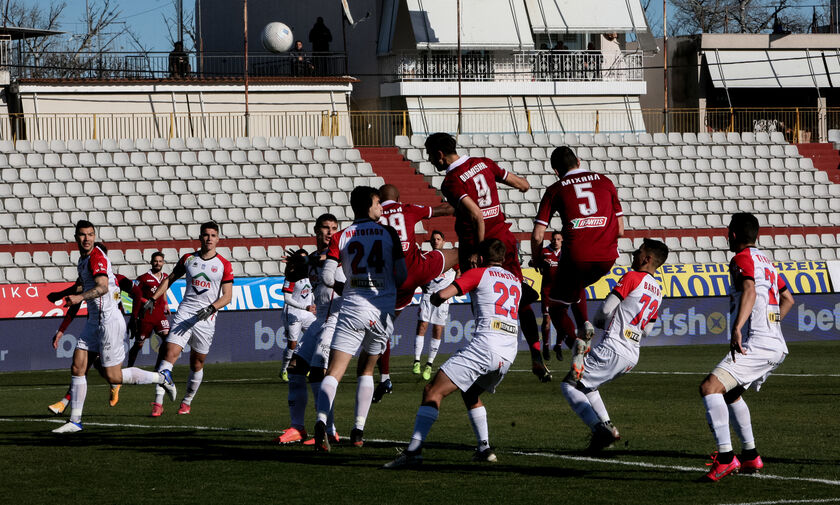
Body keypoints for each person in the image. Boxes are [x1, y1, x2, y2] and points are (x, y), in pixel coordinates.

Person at [426, 132, 551, 382]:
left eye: (431, 156)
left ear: (440, 154)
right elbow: (522, 184)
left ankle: (485, 356)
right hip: (505, 242)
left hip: (479, 247)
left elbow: (476, 216)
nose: (431, 161)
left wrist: (478, 251)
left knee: (482, 301)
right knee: (518, 298)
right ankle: (536, 355)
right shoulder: (484, 162)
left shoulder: (451, 181)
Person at [383, 239, 518, 468]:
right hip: (508, 352)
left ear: (482, 258)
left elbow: (444, 294)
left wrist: (435, 297)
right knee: (471, 393)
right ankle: (484, 448)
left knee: (432, 390)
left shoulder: (479, 274)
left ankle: (414, 451)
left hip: (485, 346)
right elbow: (532, 296)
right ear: (503, 259)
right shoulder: (516, 280)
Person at [52, 221, 176, 434]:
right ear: (76, 237)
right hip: (94, 321)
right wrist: (62, 296)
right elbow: (82, 286)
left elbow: (100, 288)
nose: (86, 239)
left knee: (114, 377)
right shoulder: (83, 261)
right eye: (82, 235)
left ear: (94, 236)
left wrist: (79, 297)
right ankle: (75, 421)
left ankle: (162, 378)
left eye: (90, 234)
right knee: (77, 367)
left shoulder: (97, 258)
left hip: (109, 321)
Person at [698, 213, 794, 482]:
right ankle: (751, 455)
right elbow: (788, 299)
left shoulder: (741, 259)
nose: (726, 236)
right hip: (774, 343)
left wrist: (739, 327)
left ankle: (727, 459)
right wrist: (770, 325)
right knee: (730, 394)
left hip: (758, 344)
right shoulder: (768, 263)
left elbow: (749, 289)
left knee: (710, 388)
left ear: (735, 235)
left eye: (728, 232)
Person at [312, 186, 407, 451]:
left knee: (334, 371)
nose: (381, 208)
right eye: (378, 203)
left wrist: (350, 286)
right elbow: (401, 275)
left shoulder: (342, 235)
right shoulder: (389, 233)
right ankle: (358, 430)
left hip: (352, 307)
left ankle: (321, 419)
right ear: (369, 205)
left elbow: (329, 277)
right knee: (367, 369)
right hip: (381, 311)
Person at [561, 239, 668, 452]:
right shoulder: (658, 290)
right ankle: (609, 427)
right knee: (589, 385)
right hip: (632, 355)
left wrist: (597, 323)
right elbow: (647, 331)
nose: (635, 254)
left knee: (569, 385)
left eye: (639, 251)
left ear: (647, 259)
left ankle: (598, 430)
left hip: (614, 348)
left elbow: (606, 308)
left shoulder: (632, 277)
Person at [531, 146, 624, 383]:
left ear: (555, 171)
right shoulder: (605, 181)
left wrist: (538, 259)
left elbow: (538, 236)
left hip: (577, 257)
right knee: (575, 286)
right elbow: (621, 229)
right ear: (579, 161)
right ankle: (584, 323)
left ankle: (577, 344)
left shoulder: (555, 189)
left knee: (556, 307)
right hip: (607, 259)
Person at [372, 183, 457, 402]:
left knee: (385, 329)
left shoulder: (376, 215)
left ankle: (384, 377)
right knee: (459, 253)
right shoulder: (407, 209)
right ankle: (480, 257)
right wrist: (461, 205)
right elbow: (443, 210)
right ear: (398, 197)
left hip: (390, 280)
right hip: (416, 272)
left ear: (379, 200)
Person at [144, 221, 234, 417]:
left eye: (213, 235)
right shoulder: (188, 258)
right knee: (169, 353)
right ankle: (158, 402)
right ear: (200, 237)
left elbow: (227, 296)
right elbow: (169, 279)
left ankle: (186, 401)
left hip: (206, 319)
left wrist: (211, 308)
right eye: (206, 234)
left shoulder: (224, 265)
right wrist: (153, 297)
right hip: (185, 313)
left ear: (218, 239)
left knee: (197, 364)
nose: (209, 238)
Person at [47, 243, 138, 413]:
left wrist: (135, 317)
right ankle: (73, 409)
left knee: (90, 368)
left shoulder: (116, 278)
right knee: (86, 366)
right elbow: (75, 298)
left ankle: (66, 402)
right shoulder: (88, 274)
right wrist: (61, 329)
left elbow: (137, 293)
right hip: (94, 324)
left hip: (111, 326)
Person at [276, 214, 343, 445]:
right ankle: (298, 428)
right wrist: (292, 269)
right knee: (295, 369)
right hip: (318, 319)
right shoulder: (313, 258)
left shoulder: (342, 257)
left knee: (318, 372)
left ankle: (329, 429)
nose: (330, 232)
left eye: (334, 228)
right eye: (325, 228)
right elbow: (296, 275)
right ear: (316, 230)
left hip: (336, 319)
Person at [413, 230, 457, 381]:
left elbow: (459, 272)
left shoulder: (450, 258)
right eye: (434, 239)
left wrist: (452, 287)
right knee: (422, 327)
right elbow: (418, 270)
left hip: (443, 299)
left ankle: (429, 364)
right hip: (427, 296)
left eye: (438, 239)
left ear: (444, 241)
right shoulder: (427, 256)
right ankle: (417, 361)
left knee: (437, 330)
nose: (436, 241)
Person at [279, 249, 316, 382]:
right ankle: (284, 370)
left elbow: (312, 291)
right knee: (292, 344)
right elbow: (287, 299)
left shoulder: (311, 273)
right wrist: (305, 306)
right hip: (294, 313)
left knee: (317, 337)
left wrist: (314, 304)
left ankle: (305, 366)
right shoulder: (291, 275)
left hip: (308, 314)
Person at [128, 251, 169, 367]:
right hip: (146, 316)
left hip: (160, 315)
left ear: (163, 263)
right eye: (155, 261)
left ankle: (158, 367)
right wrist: (145, 301)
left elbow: (164, 289)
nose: (157, 263)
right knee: (139, 345)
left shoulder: (165, 277)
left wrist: (166, 303)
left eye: (160, 261)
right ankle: (130, 367)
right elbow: (132, 294)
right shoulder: (143, 278)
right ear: (151, 262)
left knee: (168, 340)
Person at [537, 230, 563, 361]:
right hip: (547, 290)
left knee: (561, 321)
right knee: (547, 320)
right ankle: (546, 345)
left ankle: (558, 345)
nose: (556, 241)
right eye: (554, 239)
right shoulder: (544, 252)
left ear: (562, 240)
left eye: (558, 239)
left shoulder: (566, 252)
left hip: (562, 291)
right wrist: (542, 264)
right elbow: (535, 264)